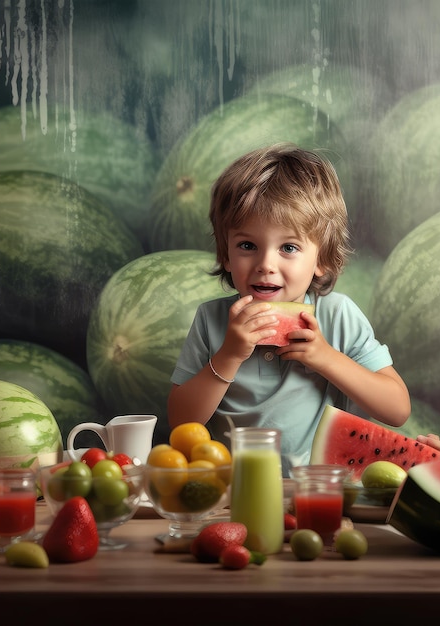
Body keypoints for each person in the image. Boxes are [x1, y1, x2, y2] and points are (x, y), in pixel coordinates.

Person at [167, 143, 411, 476]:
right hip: (233, 492)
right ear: (225, 254)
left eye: (289, 247)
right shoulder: (212, 320)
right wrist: (229, 356)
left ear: (321, 259)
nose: (266, 264)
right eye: (247, 246)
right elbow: (181, 420)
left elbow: (397, 409)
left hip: (318, 491)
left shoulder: (338, 316)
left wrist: (325, 357)